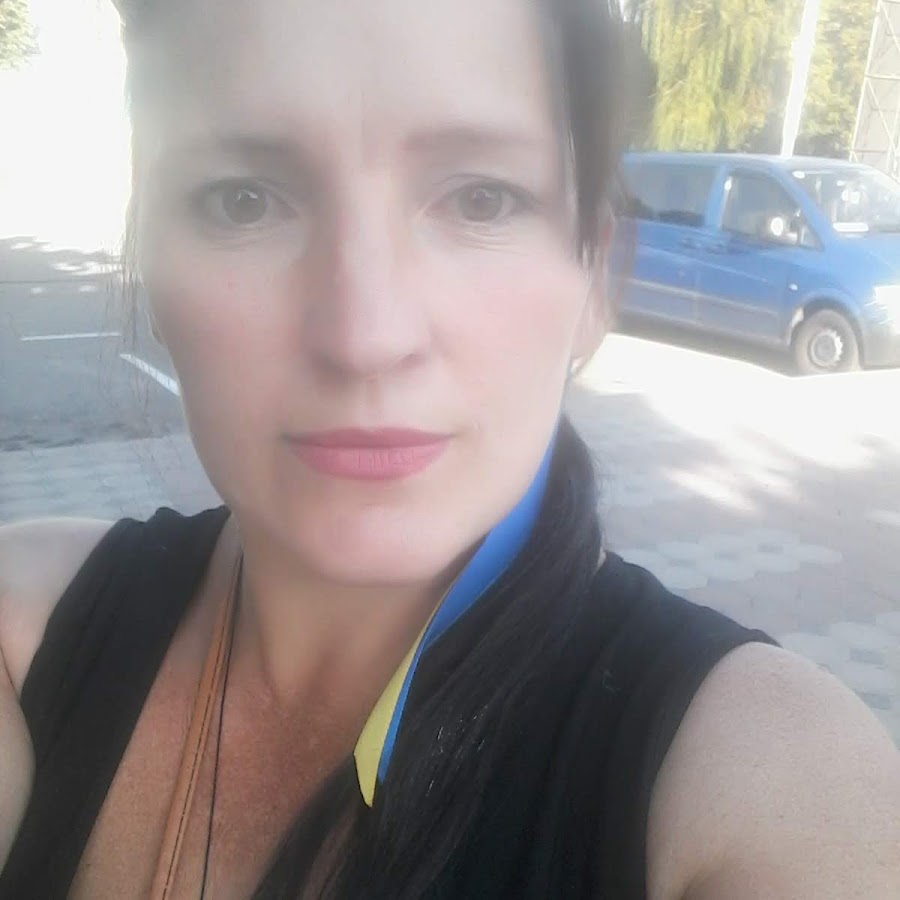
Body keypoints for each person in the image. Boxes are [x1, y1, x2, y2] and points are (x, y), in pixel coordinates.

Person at [1, 0, 898, 897]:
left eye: (481, 198)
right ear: (151, 266)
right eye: (245, 201)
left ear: (597, 275)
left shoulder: (767, 778)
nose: (365, 335)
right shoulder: (20, 631)